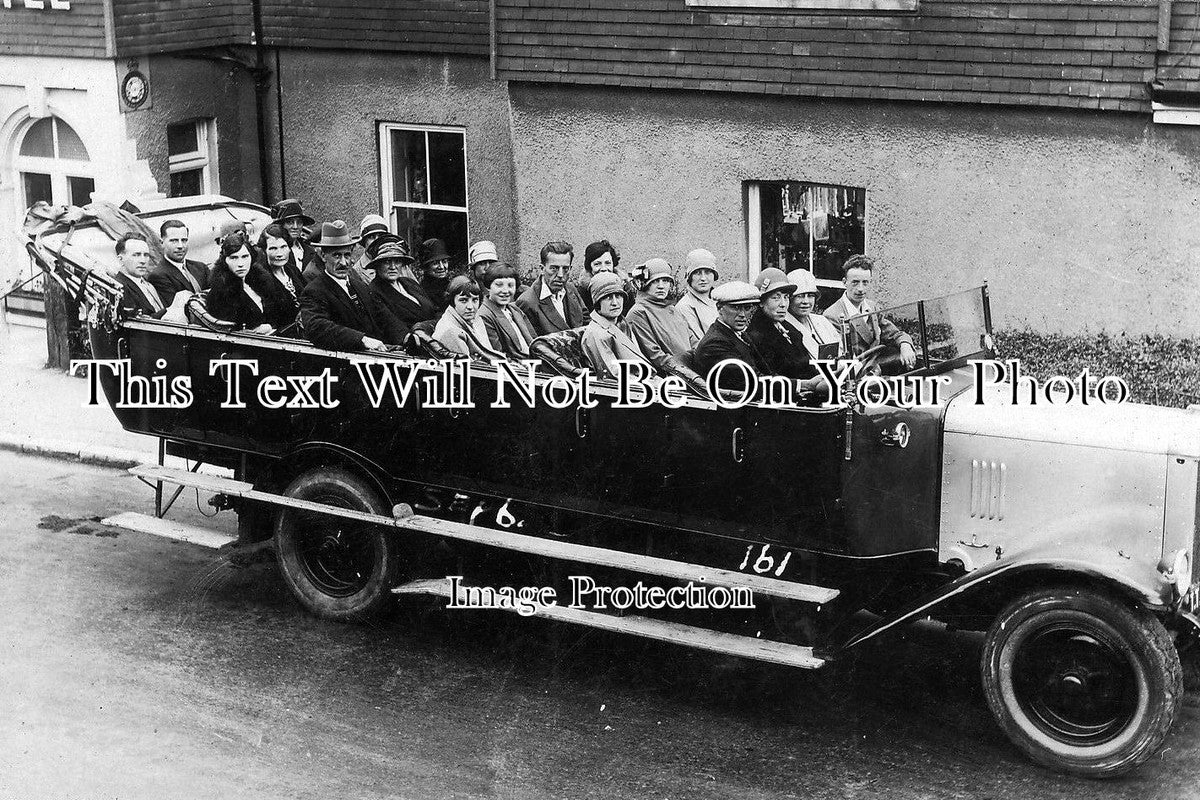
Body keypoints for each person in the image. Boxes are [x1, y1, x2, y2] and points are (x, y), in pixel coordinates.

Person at [299, 220, 409, 352]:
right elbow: (317, 327)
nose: (343, 263)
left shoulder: (360, 286)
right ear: (323, 256)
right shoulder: (314, 291)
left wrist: (406, 337)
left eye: (347, 255)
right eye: (336, 255)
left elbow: (384, 316)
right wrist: (362, 340)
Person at [823, 254, 917, 368]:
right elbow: (840, 358)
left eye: (865, 282)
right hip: (857, 371)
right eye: (855, 282)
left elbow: (894, 334)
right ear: (844, 282)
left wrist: (905, 345)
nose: (860, 289)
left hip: (879, 365)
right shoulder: (832, 315)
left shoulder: (872, 307)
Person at [746, 268, 824, 393]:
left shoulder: (789, 329)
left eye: (786, 297)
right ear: (761, 302)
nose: (783, 304)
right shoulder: (756, 336)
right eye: (776, 298)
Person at [206, 232, 295, 334]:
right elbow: (229, 332)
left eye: (245, 257)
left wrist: (270, 326)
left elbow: (283, 314)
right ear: (225, 260)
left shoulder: (262, 281)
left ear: (251, 257)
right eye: (234, 258)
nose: (240, 264)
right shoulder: (220, 293)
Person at [693, 281, 769, 394]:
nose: (742, 314)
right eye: (735, 307)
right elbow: (750, 383)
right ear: (719, 308)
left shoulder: (739, 334)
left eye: (747, 308)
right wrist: (795, 387)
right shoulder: (715, 344)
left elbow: (766, 372)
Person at [624, 258, 696, 375]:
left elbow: (693, 340)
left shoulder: (673, 310)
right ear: (644, 284)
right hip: (670, 376)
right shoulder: (638, 313)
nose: (661, 286)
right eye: (655, 281)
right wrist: (689, 374)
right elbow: (656, 356)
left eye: (665, 281)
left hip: (692, 370)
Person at [581, 272, 654, 382]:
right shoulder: (596, 333)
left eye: (618, 296)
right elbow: (613, 375)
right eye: (608, 297)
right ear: (597, 303)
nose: (615, 303)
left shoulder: (621, 323)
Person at [112, 232, 191, 320]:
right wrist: (173, 309)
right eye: (136, 255)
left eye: (146, 255)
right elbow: (136, 323)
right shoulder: (119, 288)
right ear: (120, 259)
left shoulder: (148, 284)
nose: (143, 261)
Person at [516, 241, 587, 336]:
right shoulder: (527, 302)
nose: (560, 275)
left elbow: (587, 322)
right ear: (542, 269)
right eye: (554, 268)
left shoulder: (571, 289)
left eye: (565, 269)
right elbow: (532, 341)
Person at [369, 239, 438, 328]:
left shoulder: (409, 282)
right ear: (377, 265)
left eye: (397, 261)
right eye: (387, 261)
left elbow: (434, 310)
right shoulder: (374, 292)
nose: (393, 267)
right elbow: (392, 327)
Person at [473, 262, 537, 358]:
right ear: (488, 286)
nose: (505, 291)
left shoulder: (515, 309)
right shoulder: (484, 316)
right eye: (499, 285)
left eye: (510, 285)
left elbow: (534, 340)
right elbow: (498, 355)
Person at [433, 275, 503, 359]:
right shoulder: (451, 332)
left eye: (475, 300)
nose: (470, 307)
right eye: (463, 300)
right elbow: (469, 365)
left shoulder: (475, 318)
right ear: (452, 301)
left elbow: (488, 350)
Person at [149, 219, 209, 306]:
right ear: (162, 243)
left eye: (184, 240)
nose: (180, 246)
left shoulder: (201, 267)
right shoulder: (158, 276)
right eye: (174, 241)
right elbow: (178, 308)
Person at [786, 269, 840, 360]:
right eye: (799, 296)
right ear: (789, 298)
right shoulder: (784, 327)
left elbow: (841, 351)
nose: (806, 301)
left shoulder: (821, 321)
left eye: (810, 295)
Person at [577, 240, 635, 316]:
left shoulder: (625, 287)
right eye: (597, 264)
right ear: (590, 267)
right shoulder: (581, 292)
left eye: (608, 263)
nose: (603, 268)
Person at [675, 248, 720, 341]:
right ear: (690, 277)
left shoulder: (720, 300)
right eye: (697, 273)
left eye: (707, 272)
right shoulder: (685, 306)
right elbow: (700, 343)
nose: (703, 278)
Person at [257, 222, 308, 305]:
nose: (279, 254)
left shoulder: (293, 270)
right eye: (273, 248)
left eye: (283, 247)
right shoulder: (260, 278)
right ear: (264, 251)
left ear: (289, 248)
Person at [273, 199, 321, 280]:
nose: (295, 227)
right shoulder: (276, 251)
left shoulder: (309, 250)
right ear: (281, 225)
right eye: (290, 222)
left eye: (299, 222)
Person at [353, 214, 391, 282]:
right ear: (364, 241)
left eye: (381, 236)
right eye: (372, 237)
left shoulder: (397, 264)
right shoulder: (356, 272)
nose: (377, 241)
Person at [420, 238, 452, 310]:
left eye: (444, 262)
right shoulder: (423, 293)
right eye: (435, 263)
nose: (441, 267)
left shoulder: (452, 287)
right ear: (426, 267)